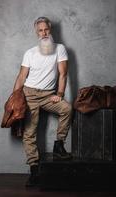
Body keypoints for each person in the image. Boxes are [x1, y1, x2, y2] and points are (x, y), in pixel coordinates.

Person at [13, 17, 72, 186]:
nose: (44, 33)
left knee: (67, 108)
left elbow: (63, 74)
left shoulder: (60, 49)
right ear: (36, 32)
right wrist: (15, 97)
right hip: (29, 94)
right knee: (29, 133)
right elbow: (21, 76)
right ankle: (34, 170)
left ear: (50, 29)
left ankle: (58, 145)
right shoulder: (30, 53)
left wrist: (59, 93)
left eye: (46, 29)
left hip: (48, 95)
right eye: (40, 30)